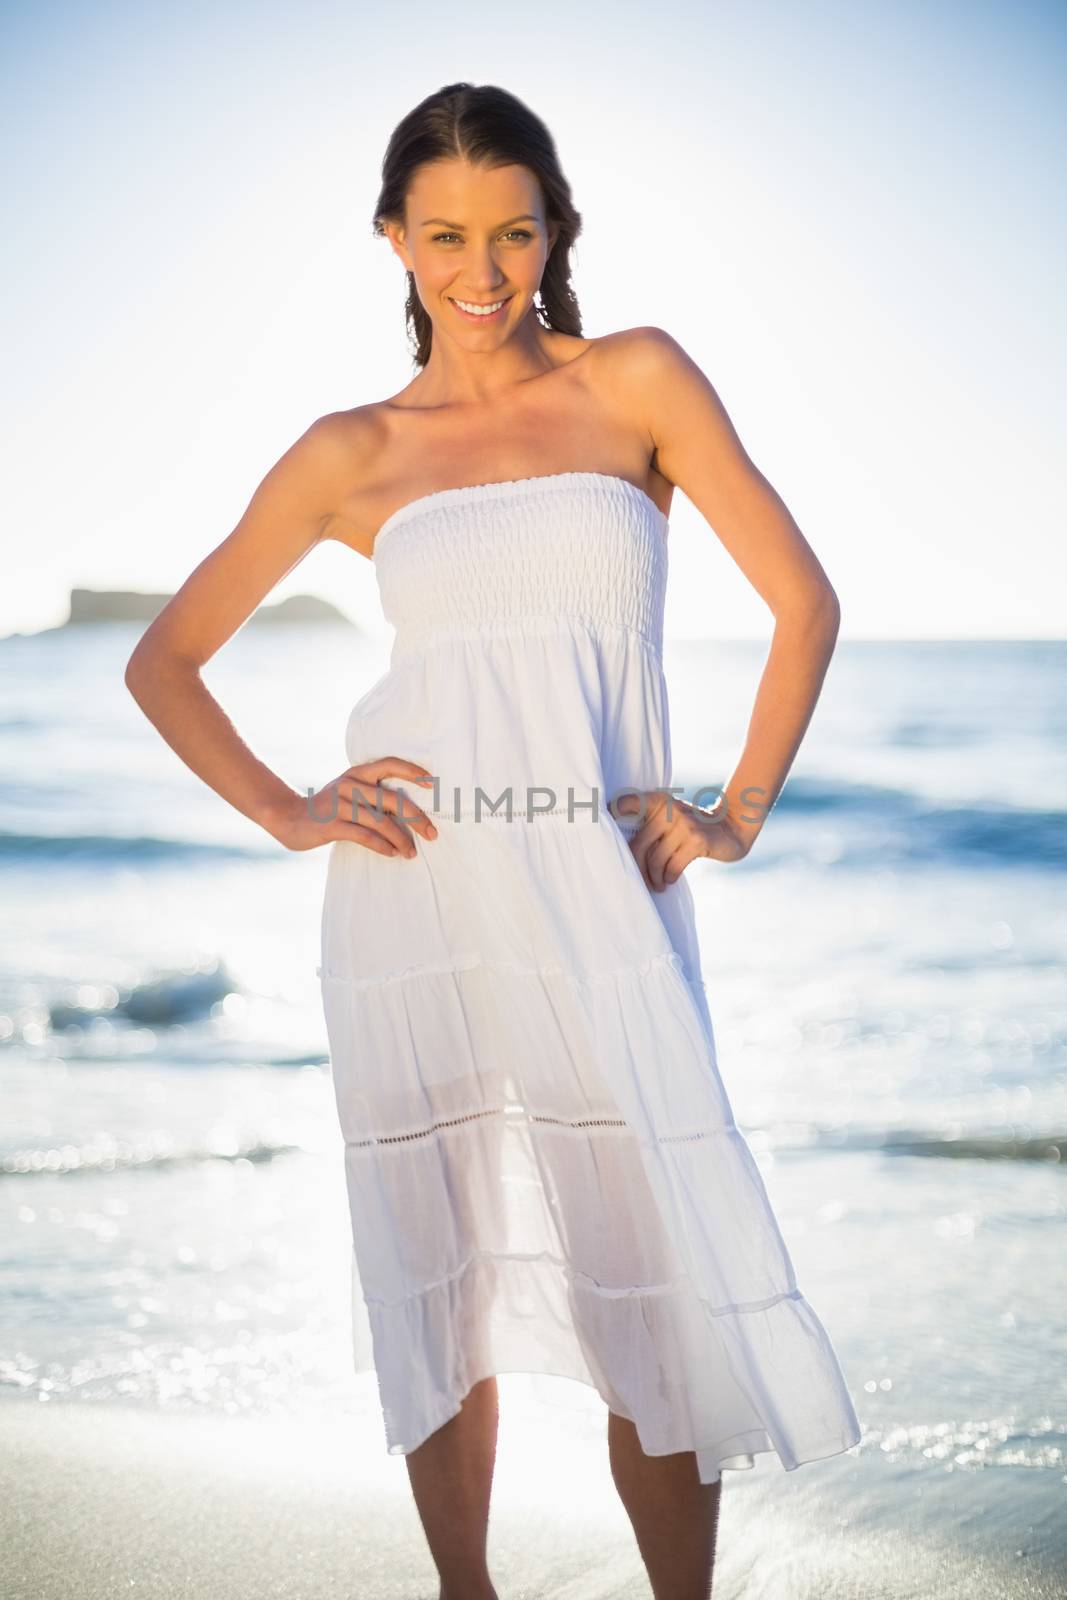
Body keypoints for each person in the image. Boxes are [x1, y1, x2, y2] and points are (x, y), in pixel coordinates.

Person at [126, 80, 861, 1600]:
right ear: (393, 239)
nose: (481, 270)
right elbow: (166, 658)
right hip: (415, 904)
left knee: (645, 1288)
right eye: (446, 234)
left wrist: (733, 811)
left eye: (512, 233)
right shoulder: (353, 452)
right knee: (442, 1284)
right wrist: (287, 806)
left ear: (552, 234)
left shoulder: (638, 382)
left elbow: (806, 601)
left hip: (602, 903)